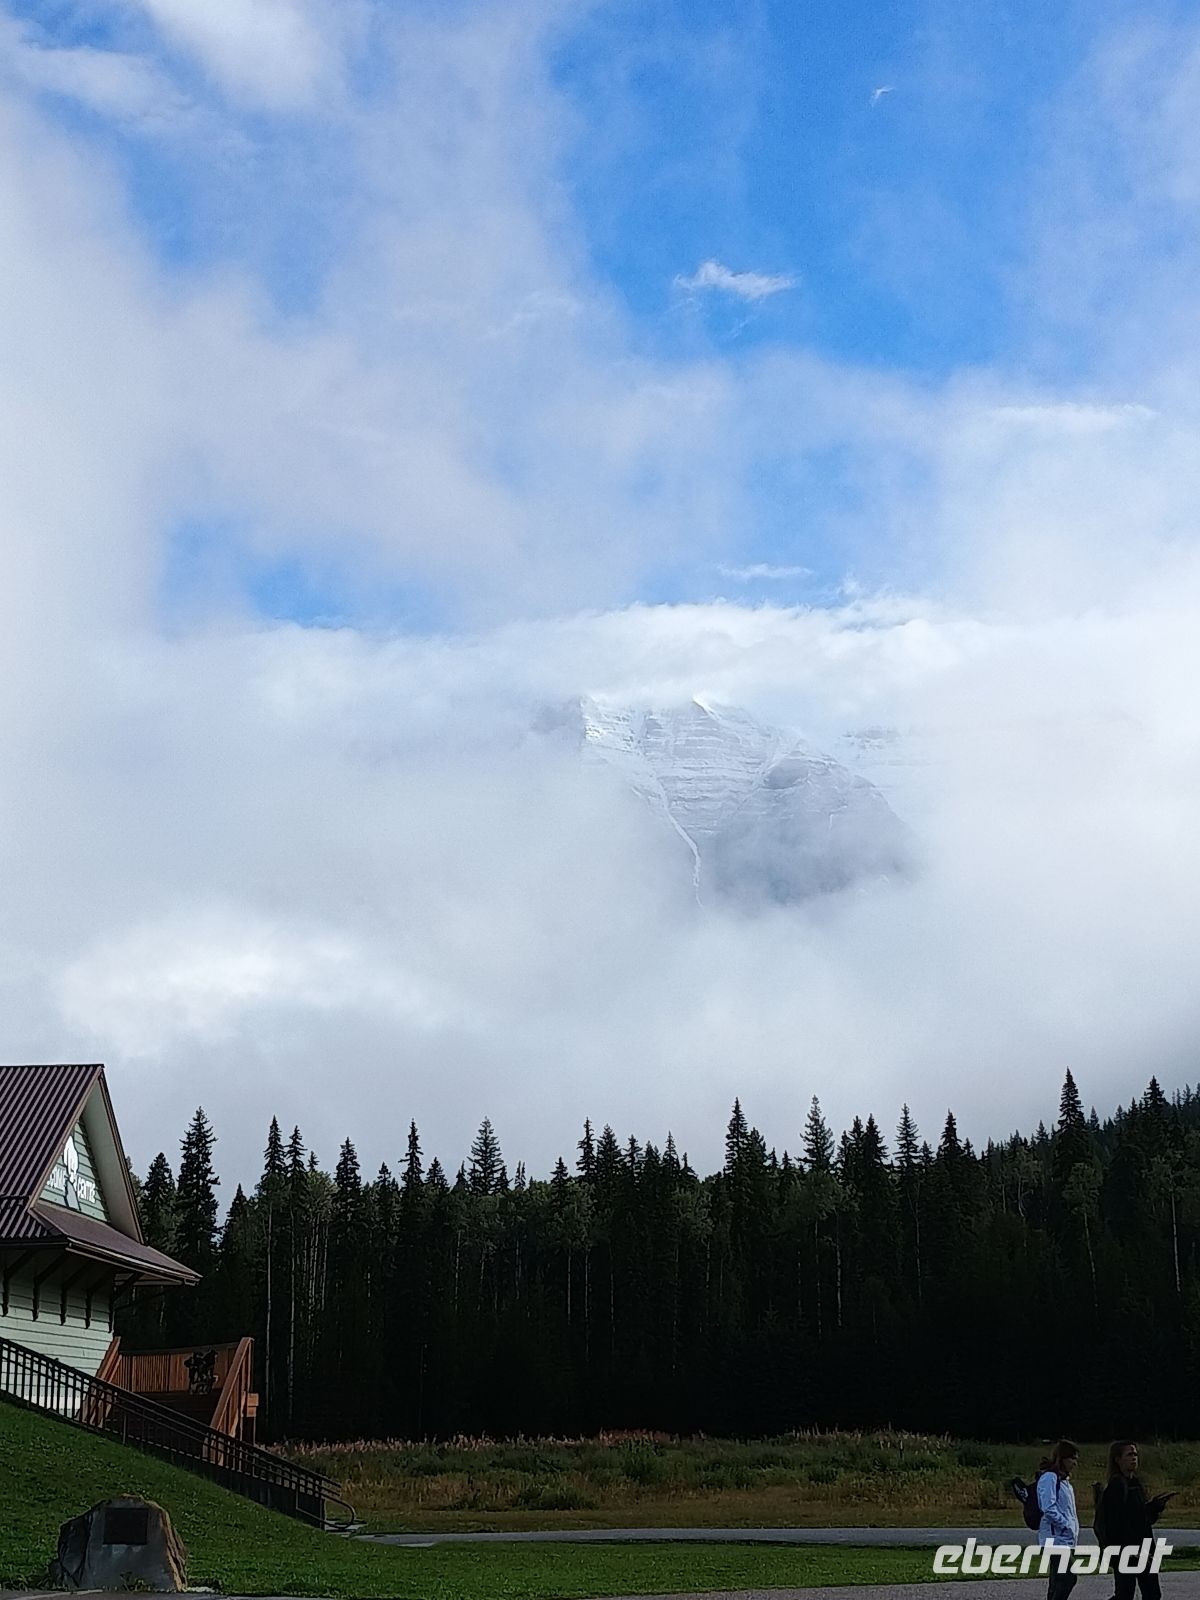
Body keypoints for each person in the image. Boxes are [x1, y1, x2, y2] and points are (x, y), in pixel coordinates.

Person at [1100, 1440, 1169, 1600]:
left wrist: (1155, 1508)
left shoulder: (1135, 1483)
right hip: (1127, 1551)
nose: (1134, 1458)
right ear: (1117, 1459)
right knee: (1125, 1594)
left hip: (1144, 1549)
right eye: (1129, 1454)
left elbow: (1142, 1520)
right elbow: (1115, 1524)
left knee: (1152, 1594)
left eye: (1135, 1454)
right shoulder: (1116, 1486)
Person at [1037, 1439, 1081, 1600]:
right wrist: (1066, 1524)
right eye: (1072, 1459)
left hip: (1065, 1539)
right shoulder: (1050, 1478)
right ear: (1062, 1458)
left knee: (1057, 1580)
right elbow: (1048, 1507)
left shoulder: (1065, 1482)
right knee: (1068, 1577)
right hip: (1054, 1539)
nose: (1074, 1463)